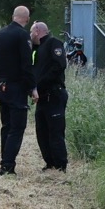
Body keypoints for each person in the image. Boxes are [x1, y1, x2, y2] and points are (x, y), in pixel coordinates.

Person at [0, 5, 34, 175]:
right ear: (27, 19)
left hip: (2, 86)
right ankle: (7, 165)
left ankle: (5, 161)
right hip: (16, 88)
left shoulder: (0, 34)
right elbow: (26, 65)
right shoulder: (22, 36)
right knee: (17, 127)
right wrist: (31, 88)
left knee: (6, 126)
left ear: (13, 16)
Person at [29, 21, 69, 172]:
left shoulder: (53, 43)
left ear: (38, 31)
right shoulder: (36, 50)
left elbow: (59, 65)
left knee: (55, 131)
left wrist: (41, 83)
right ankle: (50, 162)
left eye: (32, 32)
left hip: (54, 94)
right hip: (42, 96)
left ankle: (60, 164)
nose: (30, 35)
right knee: (42, 131)